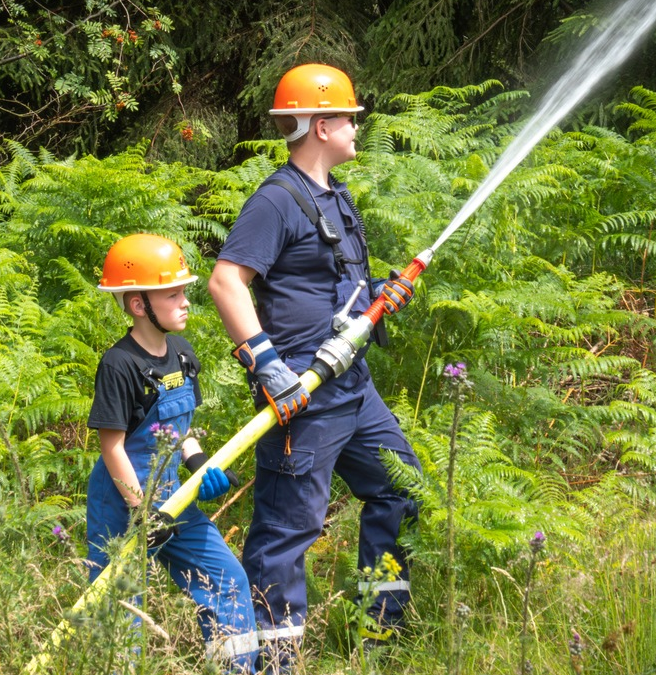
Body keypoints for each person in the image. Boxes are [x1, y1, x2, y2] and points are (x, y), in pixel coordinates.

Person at [208, 63, 421, 671]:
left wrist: (380, 295)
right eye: (350, 117)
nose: (358, 126)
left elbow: (335, 288)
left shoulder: (334, 195)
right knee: (286, 533)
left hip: (353, 387)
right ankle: (265, 664)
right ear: (322, 125)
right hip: (302, 395)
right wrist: (265, 363)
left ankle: (380, 636)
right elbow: (227, 281)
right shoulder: (276, 200)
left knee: (401, 491)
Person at [86, 233, 258, 673]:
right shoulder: (119, 364)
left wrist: (198, 463)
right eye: (173, 293)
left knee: (226, 580)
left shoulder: (182, 355)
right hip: (121, 503)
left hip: (171, 496)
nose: (185, 301)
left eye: (184, 291)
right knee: (120, 610)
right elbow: (112, 447)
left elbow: (176, 429)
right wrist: (142, 513)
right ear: (139, 305)